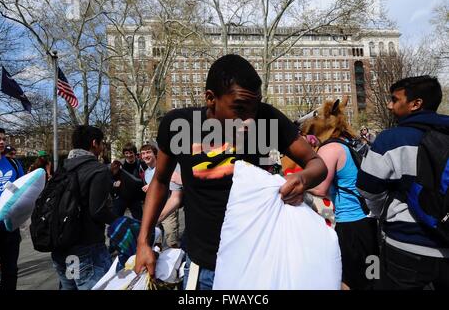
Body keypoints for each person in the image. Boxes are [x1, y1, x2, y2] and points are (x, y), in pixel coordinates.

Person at [134, 54, 327, 290]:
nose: (249, 120)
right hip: (202, 267)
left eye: (254, 109)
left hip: (256, 265)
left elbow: (317, 163)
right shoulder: (177, 125)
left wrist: (302, 178)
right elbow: (160, 181)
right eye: (239, 109)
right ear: (210, 99)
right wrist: (143, 241)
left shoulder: (267, 118)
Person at [357, 76, 449, 290]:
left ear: (416, 104)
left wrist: (382, 211)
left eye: (394, 99)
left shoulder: (391, 139)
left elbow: (367, 187)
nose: (389, 105)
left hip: (405, 247)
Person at [303, 97, 378, 290]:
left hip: (349, 225)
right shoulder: (351, 143)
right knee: (371, 276)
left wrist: (294, 181)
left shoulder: (330, 148)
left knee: (347, 281)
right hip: (369, 223)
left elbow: (320, 188)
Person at [51, 125, 118, 290]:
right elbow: (98, 210)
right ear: (94, 143)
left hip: (62, 247)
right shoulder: (97, 170)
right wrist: (120, 221)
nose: (102, 148)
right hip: (87, 249)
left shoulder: (62, 168)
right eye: (102, 143)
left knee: (70, 286)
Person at [140, 144, 183, 248]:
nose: (146, 155)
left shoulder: (164, 167)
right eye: (143, 153)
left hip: (168, 205)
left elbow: (173, 183)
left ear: (155, 154)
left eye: (148, 152)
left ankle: (175, 259)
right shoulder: (146, 173)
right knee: (156, 239)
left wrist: (151, 186)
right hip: (154, 208)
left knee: (171, 240)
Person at [0, 130, 24, 290]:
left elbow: (22, 189)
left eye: (3, 139)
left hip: (9, 226)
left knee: (10, 270)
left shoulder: (14, 164)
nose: (1, 142)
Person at [112, 143, 147, 220]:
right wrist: (114, 183)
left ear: (134, 153)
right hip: (122, 196)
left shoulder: (141, 165)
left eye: (131, 152)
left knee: (140, 220)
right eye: (126, 153)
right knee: (115, 220)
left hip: (135, 197)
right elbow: (111, 177)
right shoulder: (119, 164)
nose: (129, 155)